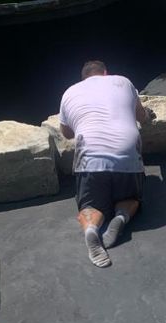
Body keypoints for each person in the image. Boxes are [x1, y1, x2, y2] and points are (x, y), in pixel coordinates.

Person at [59, 61, 154, 268]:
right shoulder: (123, 82)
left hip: (90, 160)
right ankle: (121, 217)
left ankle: (92, 229)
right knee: (131, 198)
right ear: (105, 73)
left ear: (83, 79)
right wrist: (148, 116)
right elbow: (142, 116)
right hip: (127, 157)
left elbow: (67, 133)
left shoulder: (69, 92)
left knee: (91, 206)